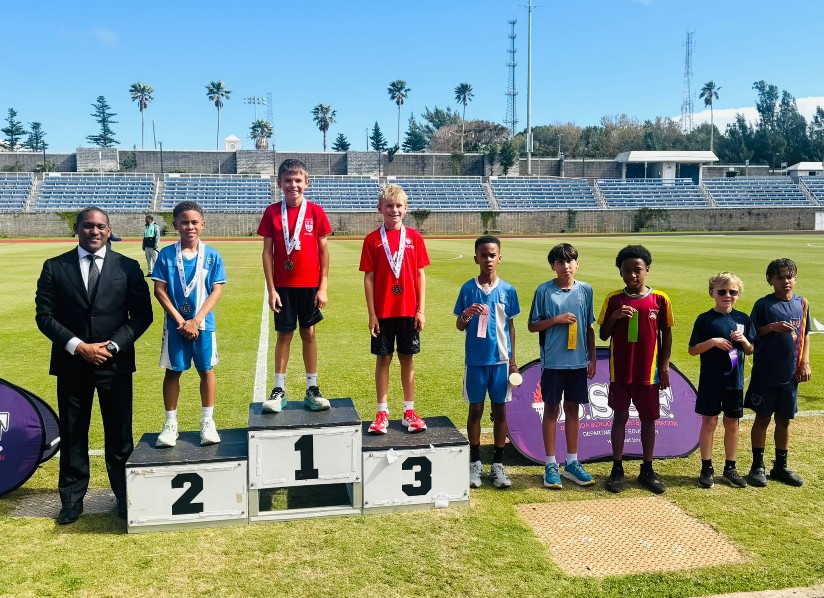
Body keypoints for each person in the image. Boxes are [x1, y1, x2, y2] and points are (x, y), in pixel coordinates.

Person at [35, 207, 153, 524]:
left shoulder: (127, 267)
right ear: (77, 229)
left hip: (115, 364)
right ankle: (71, 501)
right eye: (88, 226)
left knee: (120, 436)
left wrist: (112, 346)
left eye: (101, 226)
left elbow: (142, 315)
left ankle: (125, 497)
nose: (95, 231)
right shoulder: (54, 267)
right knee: (73, 434)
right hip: (72, 365)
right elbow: (44, 316)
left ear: (109, 230)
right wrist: (79, 347)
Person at [257, 159, 332, 413]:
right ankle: (279, 389)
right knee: (284, 335)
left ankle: (312, 387)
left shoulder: (316, 212)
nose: (293, 185)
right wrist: (271, 289)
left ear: (307, 183)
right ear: (279, 183)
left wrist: (323, 287)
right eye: (288, 180)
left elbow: (323, 252)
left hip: (310, 286)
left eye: (298, 180)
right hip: (283, 286)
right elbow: (267, 253)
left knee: (309, 334)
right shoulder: (272, 212)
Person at [598, 244, 673, 494]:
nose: (632, 275)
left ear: (647, 270)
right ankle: (617, 468)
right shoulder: (613, 299)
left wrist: (664, 366)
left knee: (648, 420)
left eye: (637, 270)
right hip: (620, 372)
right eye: (626, 270)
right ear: (620, 271)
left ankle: (647, 469)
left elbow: (666, 334)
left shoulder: (660, 299)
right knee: (619, 418)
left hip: (648, 373)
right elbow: (603, 334)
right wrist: (615, 316)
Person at [152, 201, 227, 448]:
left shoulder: (212, 255)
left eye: (194, 222)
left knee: (206, 370)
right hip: (176, 326)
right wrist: (181, 320)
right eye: (184, 222)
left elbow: (216, 290)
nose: (190, 226)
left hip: (203, 325)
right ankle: (170, 424)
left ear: (203, 224)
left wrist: (196, 320)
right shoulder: (166, 255)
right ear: (175, 225)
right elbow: (159, 290)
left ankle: (207, 422)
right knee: (173, 372)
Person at [360, 183, 429, 434]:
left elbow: (420, 275)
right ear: (380, 208)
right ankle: (382, 412)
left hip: (409, 311)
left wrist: (421, 310)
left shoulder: (415, 238)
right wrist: (372, 314)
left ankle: (409, 411)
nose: (394, 210)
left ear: (406, 208)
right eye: (389, 206)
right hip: (383, 313)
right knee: (384, 358)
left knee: (407, 358)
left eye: (398, 206)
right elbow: (369, 278)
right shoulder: (372, 240)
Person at [528, 243, 597, 490]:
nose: (566, 266)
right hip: (553, 362)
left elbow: (589, 326)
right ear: (552, 266)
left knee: (573, 410)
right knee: (551, 409)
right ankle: (550, 464)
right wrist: (556, 319)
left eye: (570, 261)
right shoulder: (544, 291)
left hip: (578, 362)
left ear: (577, 264)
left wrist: (592, 357)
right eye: (560, 262)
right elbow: (533, 326)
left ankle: (572, 462)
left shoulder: (586, 290)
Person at [455, 236, 520, 489]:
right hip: (475, 361)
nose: (488, 260)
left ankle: (498, 464)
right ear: (476, 259)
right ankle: (475, 463)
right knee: (476, 410)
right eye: (483, 255)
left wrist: (513, 362)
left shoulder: (508, 290)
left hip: (501, 361)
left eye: (492, 255)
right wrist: (465, 315)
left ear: (499, 258)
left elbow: (510, 327)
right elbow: (460, 325)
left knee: (500, 411)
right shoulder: (467, 289)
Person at [745, 258, 812, 487]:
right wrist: (772, 327)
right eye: (780, 277)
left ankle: (780, 466)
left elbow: (805, 335)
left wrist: (804, 362)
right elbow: (752, 334)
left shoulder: (802, 303)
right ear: (770, 280)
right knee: (762, 419)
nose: (786, 281)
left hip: (790, 375)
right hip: (766, 374)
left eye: (789, 277)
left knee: (784, 421)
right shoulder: (764, 305)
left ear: (795, 278)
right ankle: (757, 466)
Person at [688, 272, 754, 489]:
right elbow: (692, 350)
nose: (727, 295)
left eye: (732, 292)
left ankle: (730, 468)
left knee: (732, 423)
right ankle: (706, 468)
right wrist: (713, 342)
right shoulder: (705, 319)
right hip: (711, 382)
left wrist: (744, 341)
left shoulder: (743, 319)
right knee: (709, 422)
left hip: (734, 382)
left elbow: (751, 350)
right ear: (712, 293)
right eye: (722, 291)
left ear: (738, 294)